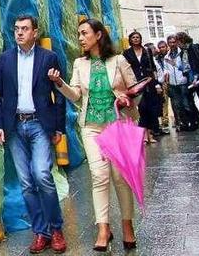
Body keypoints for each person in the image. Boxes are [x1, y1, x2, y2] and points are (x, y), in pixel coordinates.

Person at [48, 19, 138, 252]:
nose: (80, 38)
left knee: (120, 178)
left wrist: (127, 99)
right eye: (79, 34)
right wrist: (59, 83)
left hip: (117, 125)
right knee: (99, 176)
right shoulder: (79, 63)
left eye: (84, 33)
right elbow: (76, 95)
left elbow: (135, 91)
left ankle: (127, 225)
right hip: (91, 127)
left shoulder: (118, 60)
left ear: (98, 35)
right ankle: (103, 228)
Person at [0, 15, 67, 254]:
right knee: (26, 183)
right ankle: (40, 232)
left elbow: (60, 93)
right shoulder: (4, 60)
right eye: (16, 29)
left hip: (39, 125)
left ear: (35, 32)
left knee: (42, 174)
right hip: (14, 127)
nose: (20, 33)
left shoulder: (48, 58)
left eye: (25, 29)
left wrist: (59, 128)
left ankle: (56, 229)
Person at [122, 31, 162, 143]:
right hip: (135, 84)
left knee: (151, 108)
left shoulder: (147, 51)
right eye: (133, 37)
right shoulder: (126, 53)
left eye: (137, 37)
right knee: (142, 108)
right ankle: (143, 135)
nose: (135, 39)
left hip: (149, 82)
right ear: (130, 40)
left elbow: (152, 67)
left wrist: (157, 83)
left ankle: (150, 134)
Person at [178, 32, 199, 131]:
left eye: (178, 42)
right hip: (190, 79)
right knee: (195, 101)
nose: (178, 45)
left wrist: (197, 76)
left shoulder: (193, 47)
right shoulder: (183, 52)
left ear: (182, 40)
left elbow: (198, 63)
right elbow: (186, 66)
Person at [154, 40, 171, 134]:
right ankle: (165, 122)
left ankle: (179, 121)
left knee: (176, 102)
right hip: (163, 82)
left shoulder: (170, 55)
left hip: (172, 81)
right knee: (164, 103)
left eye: (163, 47)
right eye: (160, 47)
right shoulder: (157, 58)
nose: (161, 49)